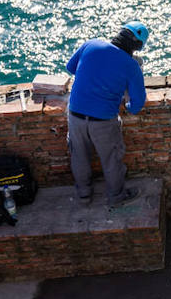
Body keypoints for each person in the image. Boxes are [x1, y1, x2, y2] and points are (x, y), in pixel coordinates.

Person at [64, 22, 149, 207]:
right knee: (111, 159)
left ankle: (83, 196)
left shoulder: (91, 44)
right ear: (137, 47)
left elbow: (70, 68)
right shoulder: (131, 66)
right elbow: (137, 104)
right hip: (103, 120)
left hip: (75, 114)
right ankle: (116, 197)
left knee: (79, 156)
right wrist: (126, 104)